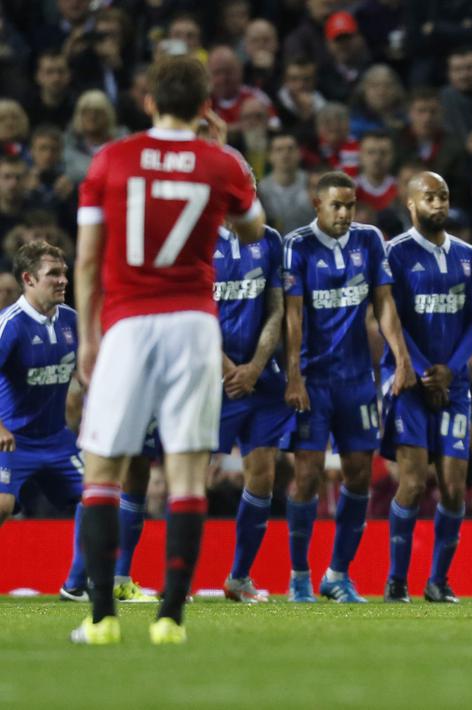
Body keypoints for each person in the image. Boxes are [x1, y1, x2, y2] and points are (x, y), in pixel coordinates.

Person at [72, 56, 267, 645]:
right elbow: (255, 228)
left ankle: (102, 617)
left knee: (103, 470)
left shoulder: (111, 160)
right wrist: (227, 154)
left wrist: (87, 336)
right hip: (191, 325)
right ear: (207, 106)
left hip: (129, 323)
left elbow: (85, 259)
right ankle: (170, 621)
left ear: (148, 100)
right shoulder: (218, 164)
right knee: (186, 474)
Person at [282, 171, 414, 603]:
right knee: (307, 475)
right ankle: (299, 575)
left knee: (360, 475)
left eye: (350, 205)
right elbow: (294, 317)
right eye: (336, 205)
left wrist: (401, 357)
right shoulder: (297, 246)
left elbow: (384, 305)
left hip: (358, 380)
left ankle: (337, 574)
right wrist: (295, 376)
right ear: (317, 204)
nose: (344, 213)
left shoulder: (370, 241)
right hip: (314, 382)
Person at [381, 171, 472, 604]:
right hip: (408, 382)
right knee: (413, 483)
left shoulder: (469, 256)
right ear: (411, 204)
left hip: (454, 386)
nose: (439, 205)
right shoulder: (395, 254)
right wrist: (424, 370)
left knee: (455, 486)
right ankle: (396, 580)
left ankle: (438, 581)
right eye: (430, 197)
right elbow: (392, 320)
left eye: (443, 196)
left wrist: (452, 369)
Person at [215, 218, 294, 604]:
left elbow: (276, 310)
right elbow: (194, 312)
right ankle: (174, 576)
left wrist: (255, 368)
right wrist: (230, 370)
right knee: (190, 476)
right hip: (210, 376)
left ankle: (239, 577)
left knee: (262, 475)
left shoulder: (270, 239)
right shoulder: (197, 238)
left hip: (262, 378)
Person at [0, 244, 81, 574]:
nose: (63, 280)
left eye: (64, 272)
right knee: (2, 505)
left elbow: (92, 370)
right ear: (28, 279)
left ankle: (78, 584)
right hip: (13, 439)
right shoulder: (10, 325)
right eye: (53, 274)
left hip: (57, 438)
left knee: (101, 499)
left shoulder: (72, 321)